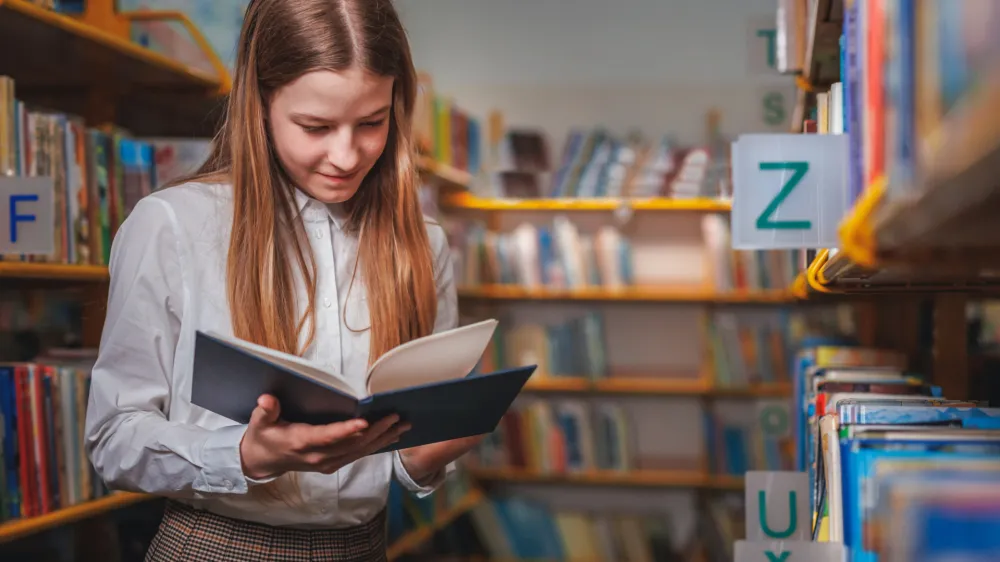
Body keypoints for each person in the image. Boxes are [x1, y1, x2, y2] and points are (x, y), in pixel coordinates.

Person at [83, 0, 485, 559]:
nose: (346, 156)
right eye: (314, 126)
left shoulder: (424, 243)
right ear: (260, 103)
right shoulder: (172, 224)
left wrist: (422, 457)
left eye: (372, 122)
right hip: (218, 546)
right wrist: (246, 454)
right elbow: (112, 439)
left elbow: (406, 441)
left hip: (366, 547)